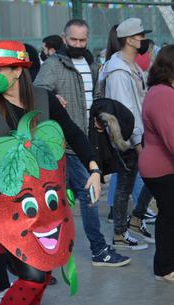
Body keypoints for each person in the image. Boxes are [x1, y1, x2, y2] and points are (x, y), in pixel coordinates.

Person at [0, 40, 102, 305]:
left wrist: (93, 168)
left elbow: (72, 133)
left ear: (18, 71)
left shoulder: (44, 100)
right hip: (7, 209)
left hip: (45, 206)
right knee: (34, 275)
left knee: (42, 269)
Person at [34, 19, 130, 266]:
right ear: (64, 38)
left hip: (87, 141)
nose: (77, 44)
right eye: (73, 39)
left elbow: (96, 96)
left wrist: (100, 117)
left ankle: (44, 254)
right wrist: (52, 97)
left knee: (63, 199)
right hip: (64, 144)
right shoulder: (54, 64)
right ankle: (98, 250)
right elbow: (36, 93)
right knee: (86, 195)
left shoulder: (91, 64)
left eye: (82, 40)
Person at [99, 17, 152, 250]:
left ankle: (133, 222)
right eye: (140, 36)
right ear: (130, 40)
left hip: (135, 135)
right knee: (125, 184)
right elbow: (126, 111)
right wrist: (138, 140)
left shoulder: (127, 66)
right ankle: (120, 233)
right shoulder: (119, 71)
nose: (143, 40)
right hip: (127, 138)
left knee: (131, 182)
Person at [139, 45, 174, 283]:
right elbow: (171, 136)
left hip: (162, 165)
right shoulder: (163, 94)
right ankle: (165, 268)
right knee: (169, 217)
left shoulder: (162, 91)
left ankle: (165, 265)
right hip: (162, 167)